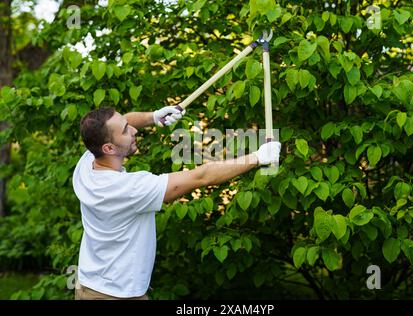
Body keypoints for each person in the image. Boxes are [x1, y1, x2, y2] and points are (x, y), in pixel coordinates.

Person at [72, 106, 281, 300]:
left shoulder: (87, 163)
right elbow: (201, 177)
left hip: (89, 284)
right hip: (115, 294)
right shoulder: (128, 189)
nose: (134, 130)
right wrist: (257, 156)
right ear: (109, 148)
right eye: (126, 131)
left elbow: (123, 120)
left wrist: (153, 117)